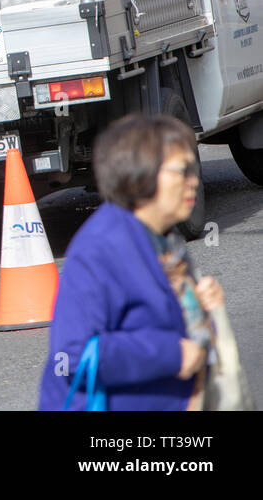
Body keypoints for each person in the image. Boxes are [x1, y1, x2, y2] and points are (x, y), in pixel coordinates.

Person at [39, 115, 225, 410]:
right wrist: (171, 355)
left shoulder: (165, 238)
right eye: (182, 170)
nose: (194, 181)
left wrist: (194, 304)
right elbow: (72, 355)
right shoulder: (101, 248)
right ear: (142, 175)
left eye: (195, 169)